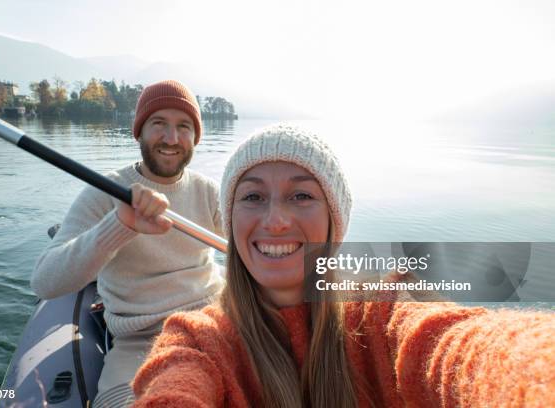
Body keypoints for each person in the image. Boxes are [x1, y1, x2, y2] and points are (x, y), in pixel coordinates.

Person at [131, 123, 555, 407]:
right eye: (253, 197)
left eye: (302, 196)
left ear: (336, 221)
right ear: (231, 217)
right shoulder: (197, 339)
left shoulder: (382, 315)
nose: (275, 220)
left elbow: (465, 351)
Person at [30, 80, 224, 407]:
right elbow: (44, 282)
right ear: (139, 131)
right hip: (141, 341)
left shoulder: (209, 192)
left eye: (184, 127)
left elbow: (255, 247)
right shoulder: (105, 191)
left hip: (213, 321)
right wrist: (119, 226)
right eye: (158, 124)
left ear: (195, 137)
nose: (171, 138)